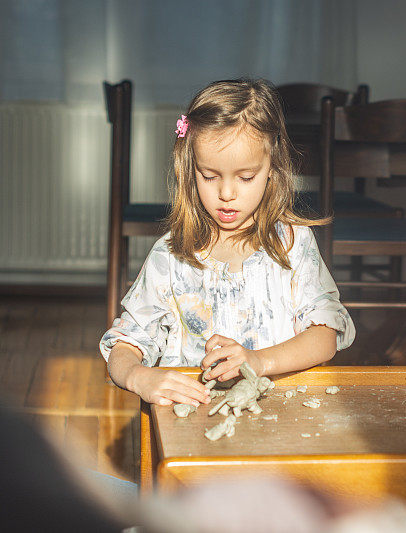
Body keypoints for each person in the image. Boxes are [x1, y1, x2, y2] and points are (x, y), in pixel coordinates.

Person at [101, 79, 355, 406]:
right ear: (190, 169)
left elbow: (325, 337)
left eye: (245, 177)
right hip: (190, 422)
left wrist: (259, 361)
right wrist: (140, 376)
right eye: (210, 176)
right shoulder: (170, 256)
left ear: (272, 170)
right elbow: (125, 345)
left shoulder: (293, 244)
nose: (226, 193)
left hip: (279, 416)